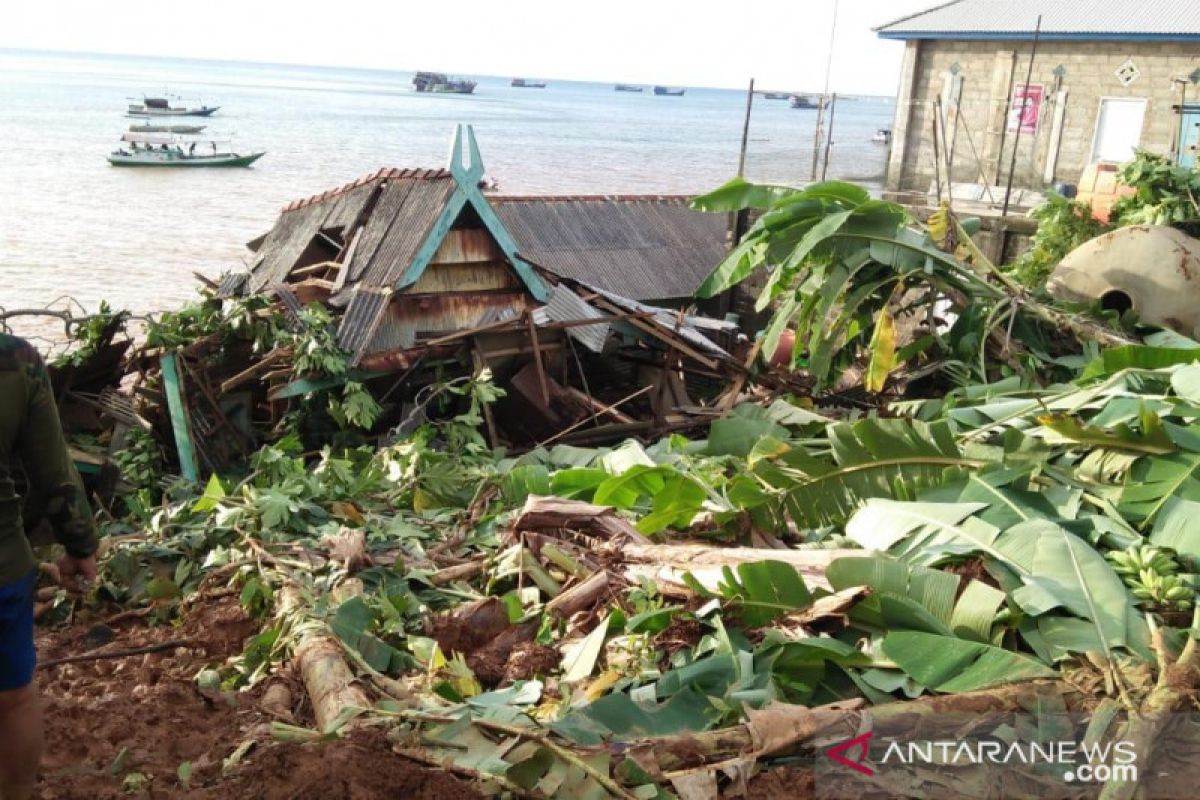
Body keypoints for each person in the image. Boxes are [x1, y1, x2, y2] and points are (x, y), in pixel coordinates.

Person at [0, 333, 97, 800]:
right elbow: (53, 473)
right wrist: (79, 543)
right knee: (13, 699)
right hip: (1, 567)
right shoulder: (14, 361)